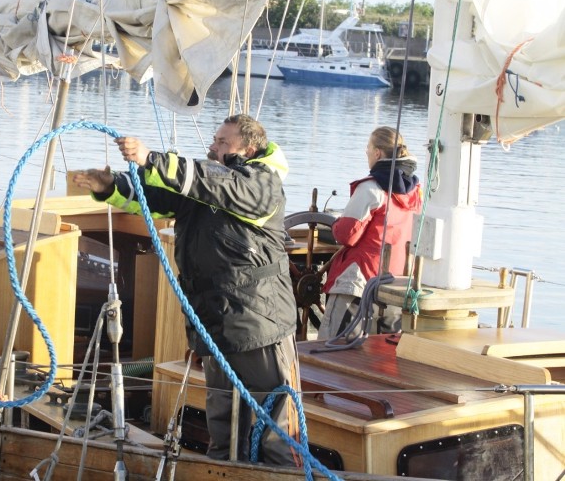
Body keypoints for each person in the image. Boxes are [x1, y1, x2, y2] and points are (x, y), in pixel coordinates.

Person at [72, 114, 301, 467]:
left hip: (259, 323)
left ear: (249, 148)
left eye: (222, 142)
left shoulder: (261, 184)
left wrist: (152, 159)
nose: (213, 147)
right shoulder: (211, 184)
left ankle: (280, 476)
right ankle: (221, 471)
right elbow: (157, 198)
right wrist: (110, 186)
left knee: (272, 425)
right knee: (223, 418)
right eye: (214, 140)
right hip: (217, 322)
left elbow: (217, 183)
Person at [317, 126, 422, 341]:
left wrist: (336, 224)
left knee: (334, 345)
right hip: (397, 281)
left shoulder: (371, 188)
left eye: (368, 148)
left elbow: (347, 235)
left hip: (361, 280)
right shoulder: (416, 192)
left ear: (377, 153)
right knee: (383, 349)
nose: (366, 153)